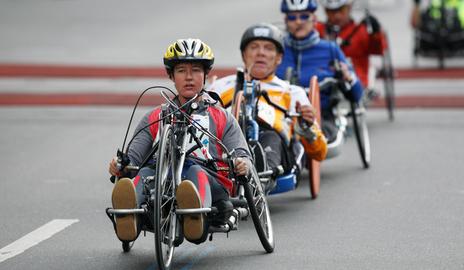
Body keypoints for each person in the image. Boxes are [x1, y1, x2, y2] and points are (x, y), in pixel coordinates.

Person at [108, 38, 252, 244]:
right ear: (171, 76)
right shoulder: (156, 116)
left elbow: (240, 151)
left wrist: (241, 162)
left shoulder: (221, 117)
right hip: (161, 180)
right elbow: (133, 157)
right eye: (182, 71)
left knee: (195, 172)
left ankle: (195, 216)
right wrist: (119, 165)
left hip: (209, 179)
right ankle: (129, 218)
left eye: (196, 70)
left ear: (205, 75)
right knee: (145, 173)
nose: (189, 77)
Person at [208, 23, 327, 182]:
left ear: (279, 58)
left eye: (269, 48)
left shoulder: (292, 92)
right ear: (244, 54)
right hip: (225, 144)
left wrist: (306, 126)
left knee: (271, 137)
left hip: (272, 146)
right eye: (254, 47)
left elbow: (320, 153)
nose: (261, 53)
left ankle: (259, 181)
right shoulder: (220, 87)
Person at [275, 0, 363, 143]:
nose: (298, 22)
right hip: (280, 116)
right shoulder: (277, 49)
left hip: (321, 117)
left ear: (314, 19)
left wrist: (348, 77)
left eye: (304, 16)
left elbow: (357, 95)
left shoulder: (330, 49)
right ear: (285, 20)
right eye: (292, 17)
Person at [315, 0, 387, 94]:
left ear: (349, 7)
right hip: (325, 82)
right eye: (331, 11)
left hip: (357, 82)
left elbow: (379, 50)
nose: (337, 16)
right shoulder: (318, 30)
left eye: (342, 10)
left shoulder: (361, 31)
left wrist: (376, 34)